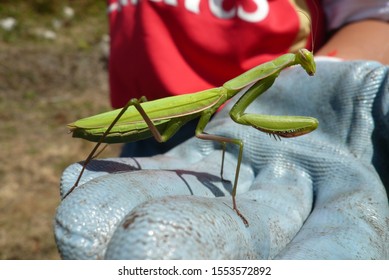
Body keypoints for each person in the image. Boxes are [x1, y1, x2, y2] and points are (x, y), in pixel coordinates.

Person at [54, 0, 389, 259]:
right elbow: (242, 117)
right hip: (142, 124)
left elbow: (374, 11)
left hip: (183, 130)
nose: (305, 62)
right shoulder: (222, 95)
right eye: (300, 59)